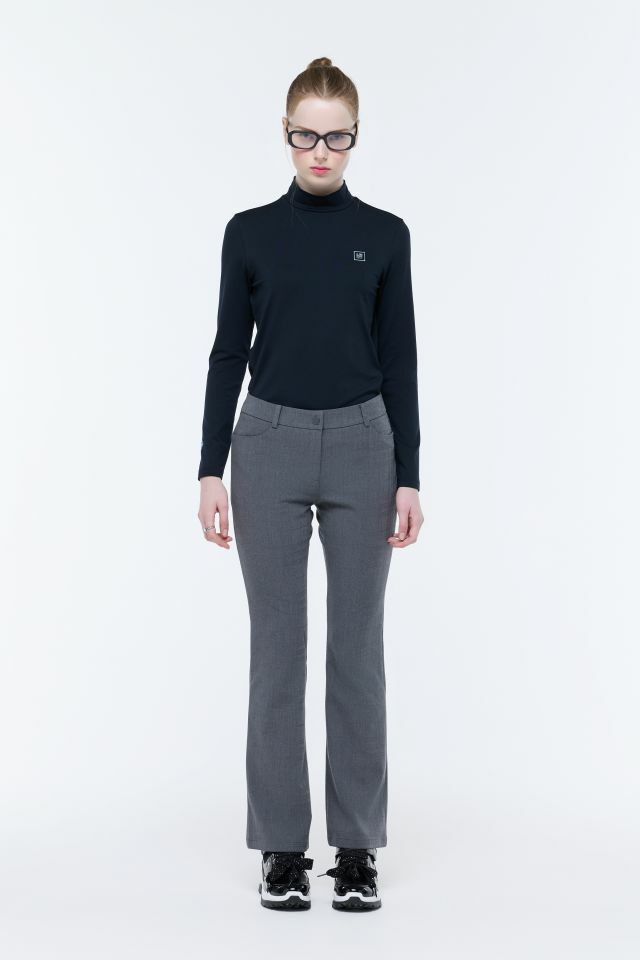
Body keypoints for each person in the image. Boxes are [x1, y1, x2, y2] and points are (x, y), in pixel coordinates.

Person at [197, 57, 423, 911]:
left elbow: (400, 359)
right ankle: (282, 849)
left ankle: (356, 850)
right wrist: (209, 466)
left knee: (357, 651)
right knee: (277, 651)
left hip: (366, 444)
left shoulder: (387, 234)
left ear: (356, 137)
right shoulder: (249, 232)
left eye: (336, 136)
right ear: (285, 135)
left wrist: (410, 475)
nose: (320, 150)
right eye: (306, 134)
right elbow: (228, 352)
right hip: (269, 446)